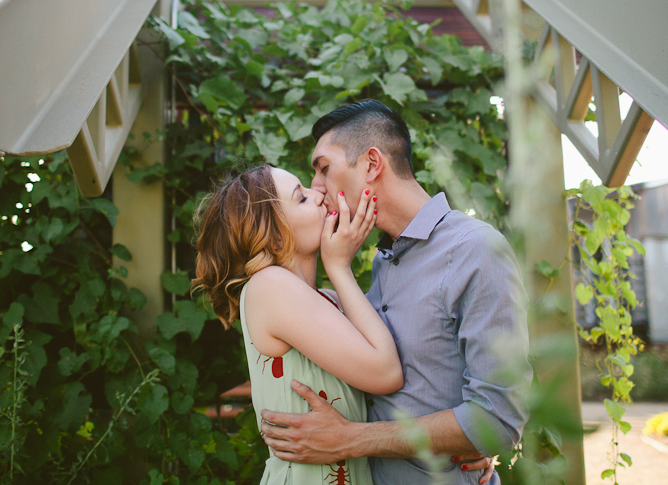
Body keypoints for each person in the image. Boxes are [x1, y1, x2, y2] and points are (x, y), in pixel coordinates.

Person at [258, 100, 532, 485]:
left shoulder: (476, 250)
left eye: (323, 169)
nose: (317, 188)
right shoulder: (382, 261)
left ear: (371, 164)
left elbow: (498, 420)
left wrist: (350, 440)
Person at [194, 163, 402, 484]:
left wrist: (461, 447)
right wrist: (340, 267)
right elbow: (386, 372)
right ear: (275, 237)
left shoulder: (331, 298)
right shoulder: (268, 286)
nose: (317, 193)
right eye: (301, 198)